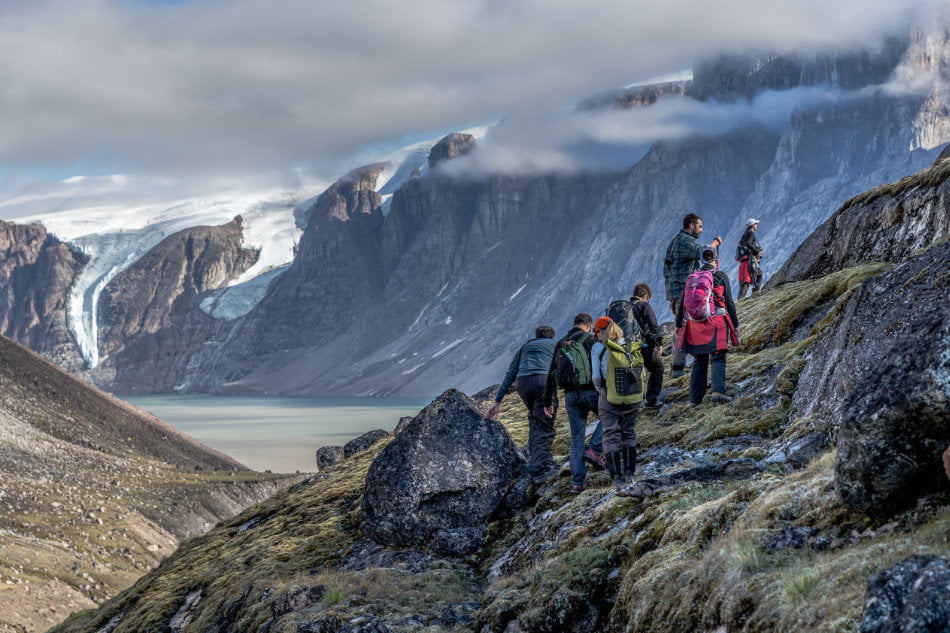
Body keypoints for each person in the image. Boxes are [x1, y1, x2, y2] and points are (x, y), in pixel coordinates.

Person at [486, 326, 558, 486]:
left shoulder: (525, 347)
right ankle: (538, 470)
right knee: (546, 426)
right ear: (552, 336)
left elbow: (511, 372)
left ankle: (537, 458)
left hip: (523, 383)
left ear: (536, 336)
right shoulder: (554, 345)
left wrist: (497, 401)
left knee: (534, 418)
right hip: (544, 382)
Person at [542, 313, 605, 494]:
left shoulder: (562, 342)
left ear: (573, 324)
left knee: (576, 438)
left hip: (570, 396)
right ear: (588, 325)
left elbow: (551, 374)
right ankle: (594, 449)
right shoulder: (590, 340)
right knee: (610, 418)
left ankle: (577, 483)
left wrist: (548, 401)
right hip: (591, 391)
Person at [663, 213, 722, 378]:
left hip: (676, 292)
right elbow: (705, 254)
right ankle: (678, 368)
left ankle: (679, 365)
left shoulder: (675, 242)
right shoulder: (685, 241)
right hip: (684, 292)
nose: (701, 230)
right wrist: (715, 243)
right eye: (700, 226)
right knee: (683, 328)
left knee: (684, 327)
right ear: (691, 225)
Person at [680, 247, 739, 406]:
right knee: (718, 357)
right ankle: (718, 392)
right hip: (716, 321)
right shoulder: (720, 275)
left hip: (695, 324)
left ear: (701, 260)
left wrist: (679, 324)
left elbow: (682, 303)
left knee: (699, 360)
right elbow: (729, 302)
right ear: (716, 260)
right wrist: (735, 324)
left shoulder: (692, 278)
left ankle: (695, 399)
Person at [591, 317, 639, 491]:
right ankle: (630, 473)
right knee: (629, 433)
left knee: (611, 434)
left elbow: (596, 376)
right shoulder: (627, 343)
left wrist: (601, 391)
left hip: (609, 396)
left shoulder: (598, 348)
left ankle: (616, 478)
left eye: (596, 332)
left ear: (603, 331)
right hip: (631, 395)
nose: (595, 336)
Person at [631, 283, 664, 409]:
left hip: (627, 349)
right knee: (657, 368)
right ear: (644, 296)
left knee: (633, 372)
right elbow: (653, 326)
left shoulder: (624, 308)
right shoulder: (644, 306)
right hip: (644, 347)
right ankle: (651, 400)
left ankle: (633, 401)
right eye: (648, 298)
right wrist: (658, 344)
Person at [737, 218, 764, 299]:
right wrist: (756, 252)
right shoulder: (751, 233)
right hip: (750, 261)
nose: (757, 225)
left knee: (746, 280)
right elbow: (748, 243)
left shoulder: (745, 234)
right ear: (753, 225)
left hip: (746, 261)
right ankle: (755, 295)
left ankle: (741, 300)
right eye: (756, 224)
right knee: (758, 275)